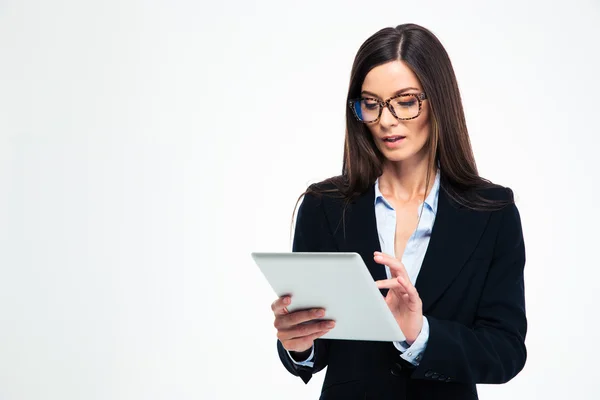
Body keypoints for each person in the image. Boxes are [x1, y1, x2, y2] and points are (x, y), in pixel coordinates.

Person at [270, 23, 527, 400]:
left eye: (405, 102)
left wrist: (419, 333)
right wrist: (297, 343)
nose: (386, 120)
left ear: (437, 101)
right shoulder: (323, 206)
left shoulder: (492, 211)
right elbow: (314, 347)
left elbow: (506, 351)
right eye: (371, 104)